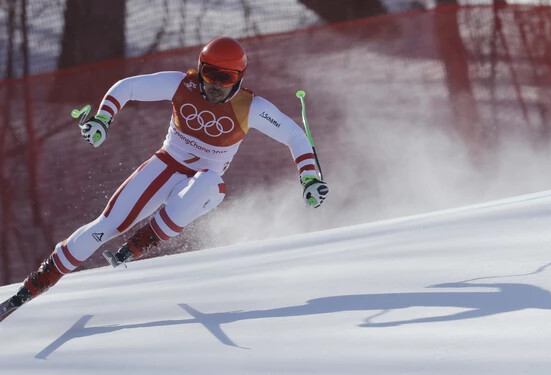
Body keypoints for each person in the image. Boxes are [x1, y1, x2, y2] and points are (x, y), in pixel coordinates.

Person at [0, 37, 329, 322]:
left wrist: (310, 179)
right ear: (200, 68)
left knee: (209, 183)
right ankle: (27, 291)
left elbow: (295, 136)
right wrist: (103, 118)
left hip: (202, 186)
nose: (215, 83)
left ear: (239, 78)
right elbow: (127, 87)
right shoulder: (180, 84)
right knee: (104, 226)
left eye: (226, 77)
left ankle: (145, 240)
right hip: (164, 166)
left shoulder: (251, 107)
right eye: (210, 73)